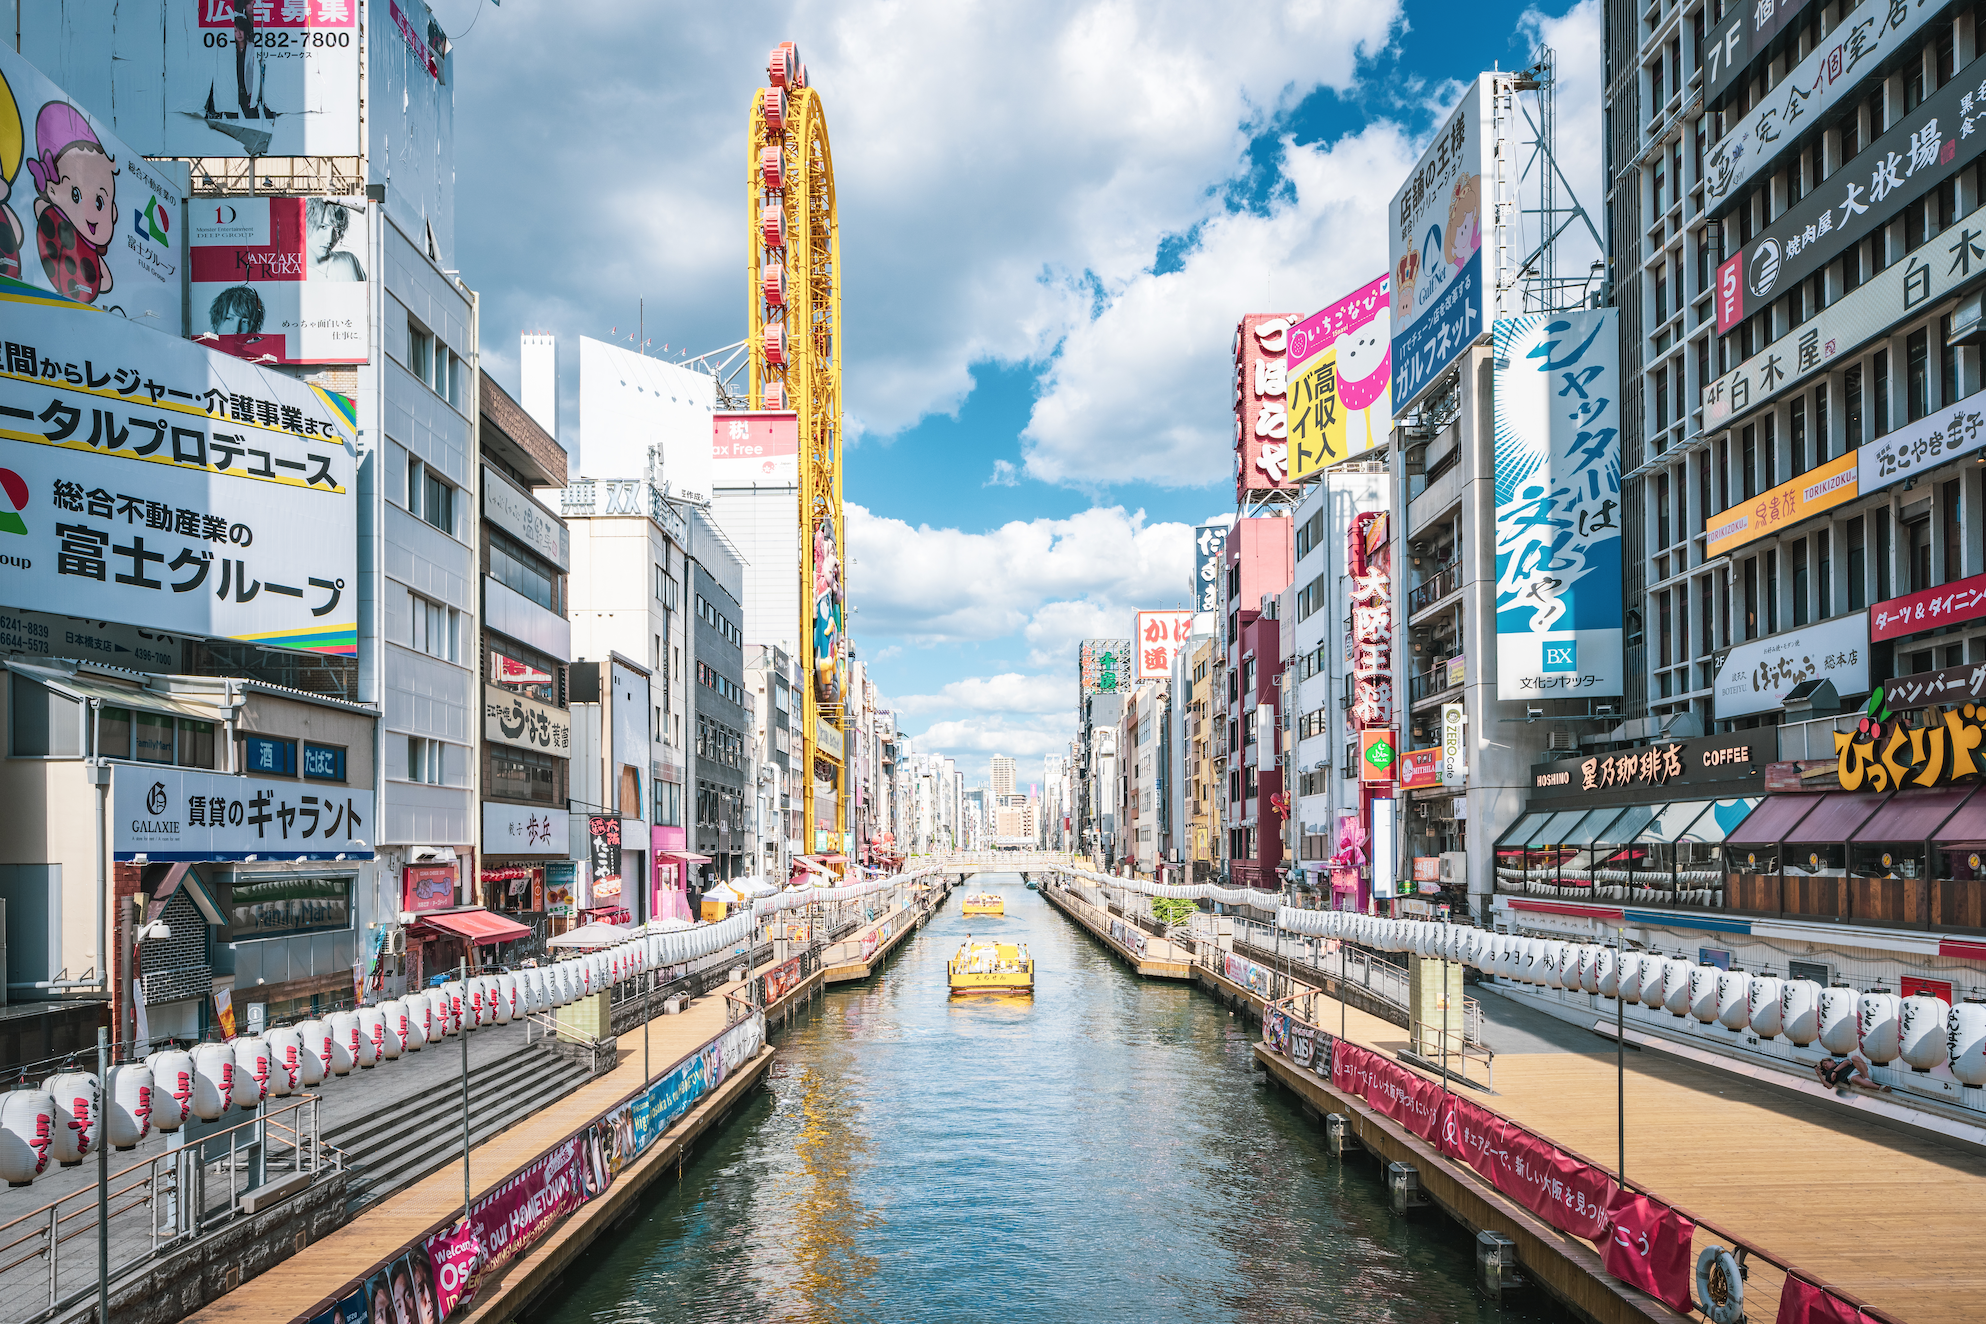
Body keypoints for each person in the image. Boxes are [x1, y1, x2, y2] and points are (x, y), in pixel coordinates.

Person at [1815, 1050, 1888, 1096]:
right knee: (1854, 1078)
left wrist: (1835, 1071)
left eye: (1825, 1063)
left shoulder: (1839, 1062)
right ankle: (1880, 1087)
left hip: (1861, 1070)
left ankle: (1867, 1079)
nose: (1825, 1066)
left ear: (1832, 1061)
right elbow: (1829, 1086)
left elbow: (1847, 1062)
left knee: (1854, 1057)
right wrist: (1820, 1076)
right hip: (1851, 1076)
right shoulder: (1829, 1073)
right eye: (1824, 1066)